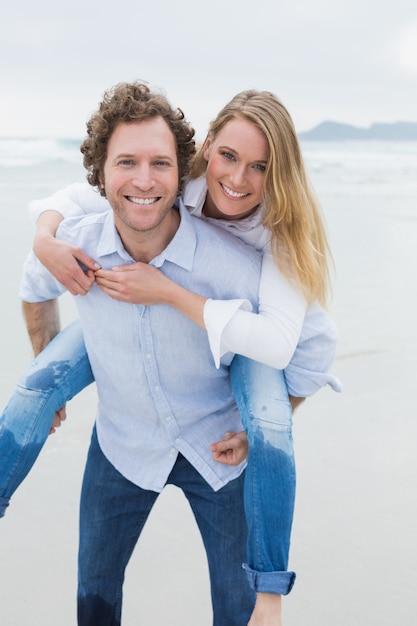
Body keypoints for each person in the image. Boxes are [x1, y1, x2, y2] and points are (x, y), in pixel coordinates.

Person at [0, 86, 341, 625]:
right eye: (227, 157)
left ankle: (271, 591)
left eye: (260, 167)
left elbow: (307, 346)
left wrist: (261, 424)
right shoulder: (137, 205)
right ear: (205, 152)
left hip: (218, 438)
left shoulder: (262, 249)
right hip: (124, 440)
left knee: (243, 610)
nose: (237, 179)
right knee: (94, 600)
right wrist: (45, 237)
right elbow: (70, 219)